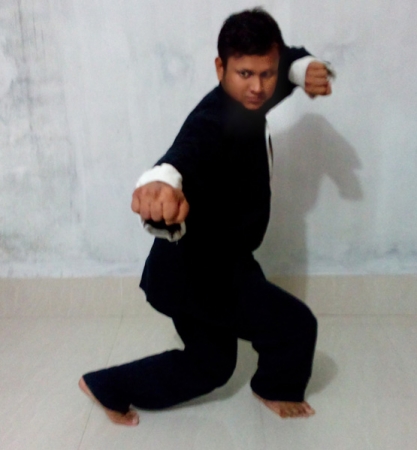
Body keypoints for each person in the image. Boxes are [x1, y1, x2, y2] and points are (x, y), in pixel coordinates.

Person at [79, 7, 333, 426]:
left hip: (197, 264)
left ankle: (106, 386)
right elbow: (184, 153)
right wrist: (161, 183)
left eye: (267, 74)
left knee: (211, 364)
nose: (258, 87)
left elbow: (286, 58)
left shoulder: (253, 91)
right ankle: (276, 387)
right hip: (202, 272)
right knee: (295, 325)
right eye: (245, 74)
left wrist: (302, 69)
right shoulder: (215, 118)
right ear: (220, 68)